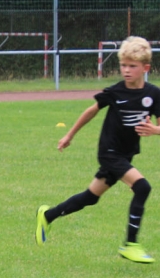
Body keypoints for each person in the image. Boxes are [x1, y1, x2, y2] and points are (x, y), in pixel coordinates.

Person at [36, 36, 160, 263]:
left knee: (90, 197)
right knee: (142, 187)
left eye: (132, 66)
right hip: (109, 152)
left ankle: (47, 215)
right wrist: (69, 135)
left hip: (126, 154)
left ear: (145, 68)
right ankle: (130, 244)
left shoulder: (153, 94)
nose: (126, 70)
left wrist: (155, 130)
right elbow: (91, 111)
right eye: (123, 65)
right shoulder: (115, 92)